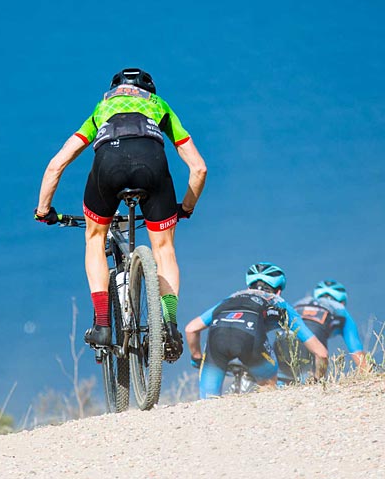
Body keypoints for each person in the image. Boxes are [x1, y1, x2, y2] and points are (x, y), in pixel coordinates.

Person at [34, 68, 207, 360]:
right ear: (148, 92)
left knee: (94, 237)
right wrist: (186, 208)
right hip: (153, 167)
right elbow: (199, 168)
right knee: (163, 249)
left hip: (108, 168)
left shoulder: (102, 108)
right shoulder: (159, 107)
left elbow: (56, 165)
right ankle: (169, 325)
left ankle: (102, 323)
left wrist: (44, 211)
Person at [184, 262, 329, 398]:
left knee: (209, 401)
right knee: (268, 390)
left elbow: (191, 329)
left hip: (216, 339)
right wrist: (318, 382)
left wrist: (197, 357)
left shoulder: (231, 298)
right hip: (251, 340)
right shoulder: (281, 303)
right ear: (278, 291)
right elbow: (321, 353)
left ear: (248, 288)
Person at [276, 279, 367, 381]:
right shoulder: (341, 310)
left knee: (282, 381)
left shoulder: (301, 302)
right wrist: (368, 376)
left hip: (282, 342)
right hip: (313, 346)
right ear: (342, 302)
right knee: (312, 383)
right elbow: (357, 352)